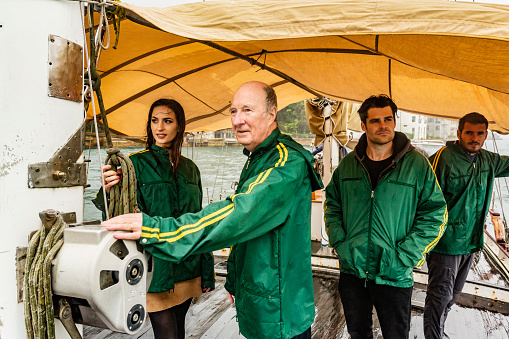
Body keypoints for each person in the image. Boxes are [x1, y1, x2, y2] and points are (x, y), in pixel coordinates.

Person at [101, 81, 323, 339]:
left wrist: (154, 229)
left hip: (278, 308)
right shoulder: (258, 158)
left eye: (247, 110)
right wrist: (234, 278)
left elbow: (237, 214)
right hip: (166, 271)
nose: (238, 120)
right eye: (233, 111)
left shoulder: (285, 163)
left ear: (272, 114)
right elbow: (247, 229)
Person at [324, 95, 448, 339]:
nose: (383, 126)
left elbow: (436, 213)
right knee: (358, 332)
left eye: (388, 119)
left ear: (394, 122)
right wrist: (341, 243)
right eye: (375, 121)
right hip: (353, 270)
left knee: (396, 334)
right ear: (363, 126)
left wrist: (406, 255)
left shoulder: (417, 165)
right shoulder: (348, 165)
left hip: (394, 272)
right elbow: (333, 205)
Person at [93, 99, 215, 339]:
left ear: (179, 127)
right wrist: (107, 190)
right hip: (155, 268)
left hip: (188, 266)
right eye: (154, 120)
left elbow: (200, 222)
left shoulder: (191, 169)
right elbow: (114, 212)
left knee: (179, 330)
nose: (159, 127)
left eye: (167, 121)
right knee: (167, 334)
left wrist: (207, 271)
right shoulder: (135, 164)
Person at [423, 112, 509, 339]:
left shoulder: (488, 160)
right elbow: (422, 200)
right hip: (445, 243)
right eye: (469, 132)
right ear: (459, 133)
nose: (474, 138)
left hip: (471, 242)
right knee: (439, 296)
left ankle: (438, 331)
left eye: (479, 133)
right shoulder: (442, 158)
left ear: (486, 135)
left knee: (452, 296)